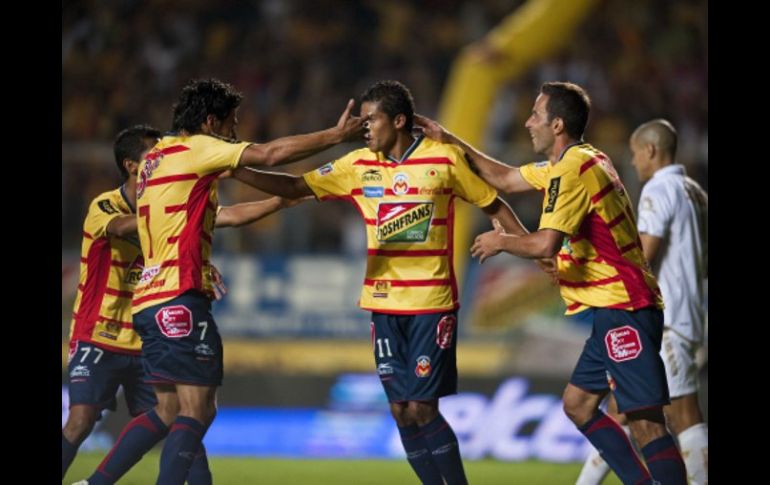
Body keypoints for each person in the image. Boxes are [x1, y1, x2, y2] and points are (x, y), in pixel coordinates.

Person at [229, 80, 526, 485]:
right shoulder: (356, 165)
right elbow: (295, 187)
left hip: (430, 304)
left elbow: (494, 202)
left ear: (399, 120)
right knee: (401, 410)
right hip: (383, 304)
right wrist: (237, 169)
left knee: (423, 408)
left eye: (372, 119)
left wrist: (525, 245)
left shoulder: (444, 160)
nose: (363, 127)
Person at [80, 78, 364, 485]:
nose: (235, 134)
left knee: (167, 411)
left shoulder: (158, 159)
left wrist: (285, 197)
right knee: (198, 410)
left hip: (149, 301)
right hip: (179, 298)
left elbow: (220, 213)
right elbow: (268, 153)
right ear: (211, 122)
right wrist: (337, 136)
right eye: (232, 124)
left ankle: (96, 482)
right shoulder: (198, 147)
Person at [416, 82, 688, 484]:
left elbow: (545, 242)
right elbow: (505, 178)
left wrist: (502, 241)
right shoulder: (578, 160)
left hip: (625, 307)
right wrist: (449, 139)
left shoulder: (573, 168)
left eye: (535, 115)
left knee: (647, 421)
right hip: (611, 308)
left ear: (557, 124)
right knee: (578, 404)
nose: (527, 123)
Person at [65, 124, 310, 484]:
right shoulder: (106, 205)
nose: (164, 157)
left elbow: (229, 215)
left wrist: (279, 200)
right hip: (99, 332)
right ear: (133, 166)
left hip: (148, 336)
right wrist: (180, 235)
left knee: (184, 417)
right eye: (154, 152)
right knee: (82, 419)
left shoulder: (167, 204)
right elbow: (120, 229)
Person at [576, 119, 708, 485]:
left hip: (665, 318)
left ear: (650, 150)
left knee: (684, 414)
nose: (633, 162)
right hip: (691, 311)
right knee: (622, 410)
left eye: (635, 154)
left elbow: (643, 256)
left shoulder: (658, 190)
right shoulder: (695, 191)